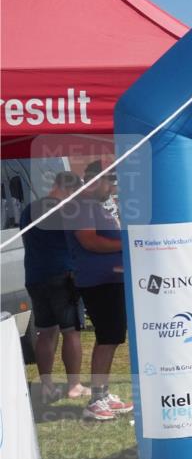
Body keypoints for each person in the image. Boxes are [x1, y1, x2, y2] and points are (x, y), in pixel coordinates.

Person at [64, 162, 133, 421]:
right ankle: (97, 399)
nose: (113, 189)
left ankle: (102, 394)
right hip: (98, 282)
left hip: (109, 280)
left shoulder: (93, 206)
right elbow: (89, 241)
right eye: (111, 183)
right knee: (107, 338)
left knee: (112, 337)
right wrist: (125, 244)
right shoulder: (81, 205)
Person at [20, 171, 88, 404]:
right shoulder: (66, 210)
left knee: (46, 332)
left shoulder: (29, 209)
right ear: (68, 188)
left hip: (35, 276)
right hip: (63, 275)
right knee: (71, 331)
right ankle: (74, 385)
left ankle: (47, 385)